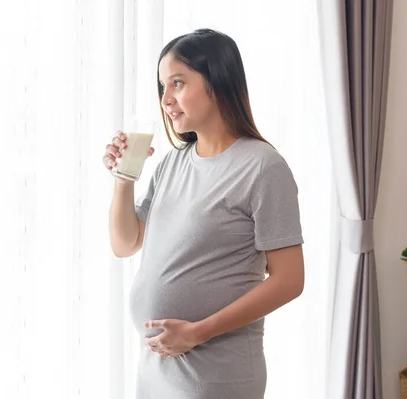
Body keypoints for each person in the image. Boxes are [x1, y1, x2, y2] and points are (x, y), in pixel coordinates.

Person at [102, 28, 305, 399]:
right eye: (162, 87)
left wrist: (200, 331)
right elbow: (125, 243)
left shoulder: (262, 167)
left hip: (215, 377)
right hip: (155, 371)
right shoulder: (172, 164)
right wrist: (123, 179)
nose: (166, 100)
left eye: (178, 83)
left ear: (219, 81)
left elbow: (289, 280)